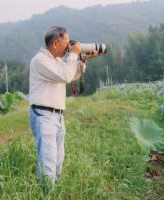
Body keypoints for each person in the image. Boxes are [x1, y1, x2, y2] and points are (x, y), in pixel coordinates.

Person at [29, 26, 100, 184]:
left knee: (58, 160)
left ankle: (54, 192)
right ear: (55, 43)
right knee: (48, 160)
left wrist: (82, 60)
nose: (69, 47)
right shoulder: (40, 60)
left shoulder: (57, 61)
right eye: (67, 43)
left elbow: (72, 74)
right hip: (44, 115)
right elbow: (66, 75)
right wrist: (74, 54)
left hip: (57, 116)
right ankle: (47, 192)